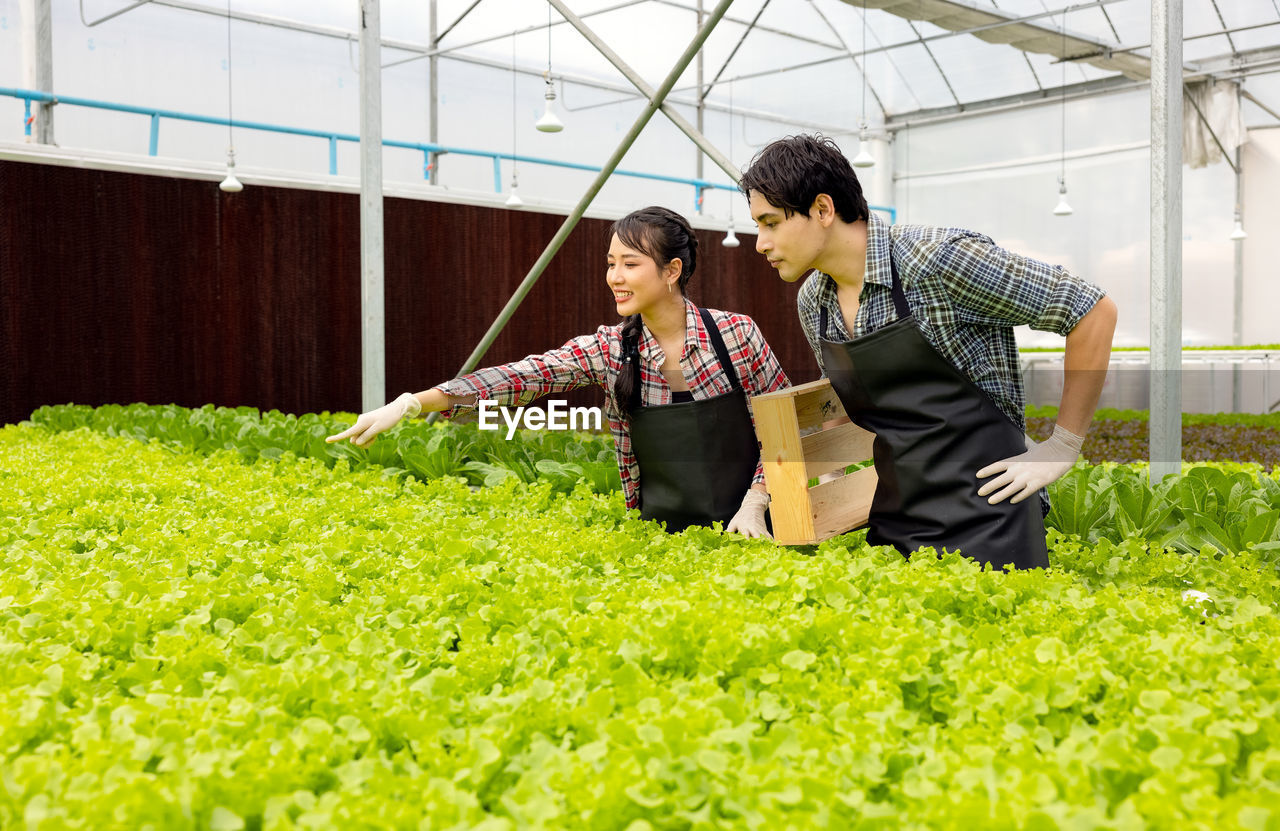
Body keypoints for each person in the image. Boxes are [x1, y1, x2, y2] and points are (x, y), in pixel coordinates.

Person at [739, 134, 1117, 569]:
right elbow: (851, 401)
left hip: (992, 516)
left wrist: (1062, 447)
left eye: (770, 224)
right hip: (896, 523)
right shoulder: (814, 302)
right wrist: (830, 486)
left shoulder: (935, 260)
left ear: (823, 210)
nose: (760, 243)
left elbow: (1090, 309)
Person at [327, 206, 789, 537]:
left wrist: (757, 503)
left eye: (630, 264)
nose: (615, 277)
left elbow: (790, 427)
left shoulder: (735, 335)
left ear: (672, 270)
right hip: (663, 541)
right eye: (611, 264)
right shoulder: (612, 349)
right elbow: (524, 377)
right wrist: (414, 401)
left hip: (757, 533)